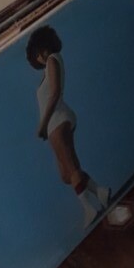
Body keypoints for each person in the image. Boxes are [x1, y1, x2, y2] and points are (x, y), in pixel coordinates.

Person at [26, 25, 110, 228]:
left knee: (71, 168)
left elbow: (54, 93)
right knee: (66, 175)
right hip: (55, 123)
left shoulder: (52, 60)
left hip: (57, 120)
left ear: (43, 48)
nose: (38, 57)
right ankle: (100, 191)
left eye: (37, 52)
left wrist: (43, 125)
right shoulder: (49, 66)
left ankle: (88, 208)